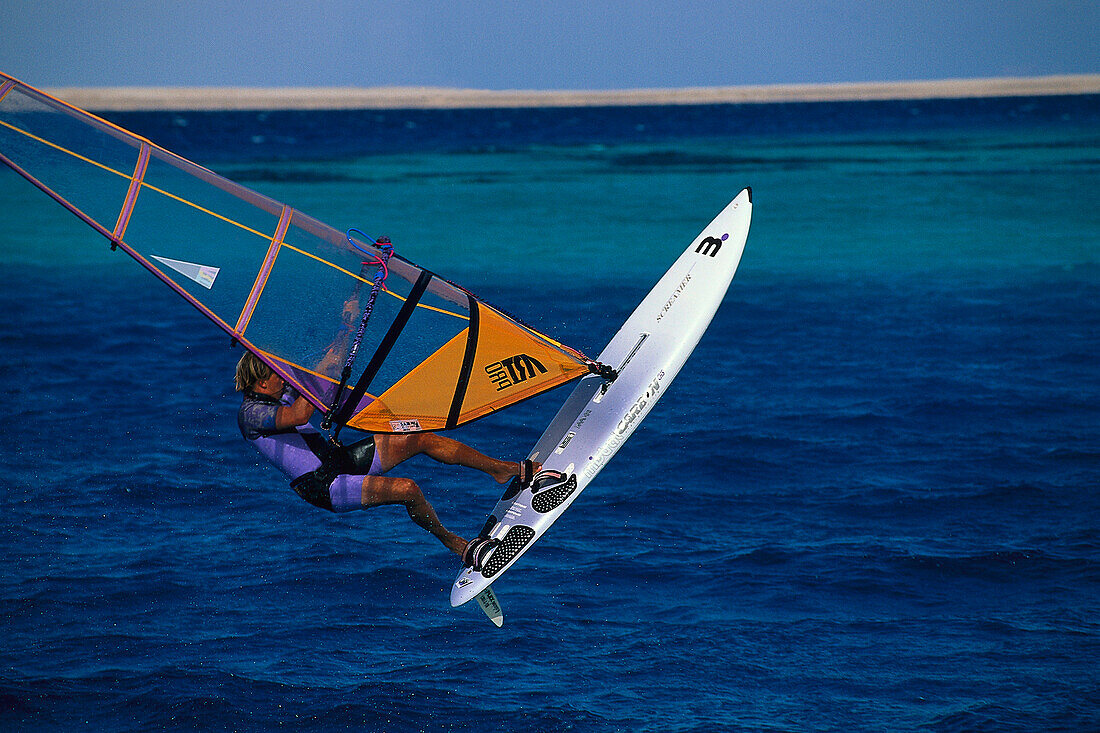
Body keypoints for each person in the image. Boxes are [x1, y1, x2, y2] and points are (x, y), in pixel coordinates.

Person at [233, 351, 538, 560]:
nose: (284, 377)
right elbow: (299, 415)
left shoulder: (281, 393)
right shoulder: (252, 414)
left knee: (418, 438)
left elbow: (330, 360)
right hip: (324, 486)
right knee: (408, 490)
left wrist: (346, 321)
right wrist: (318, 373)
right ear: (261, 382)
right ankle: (452, 541)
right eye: (276, 374)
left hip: (339, 459)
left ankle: (502, 470)